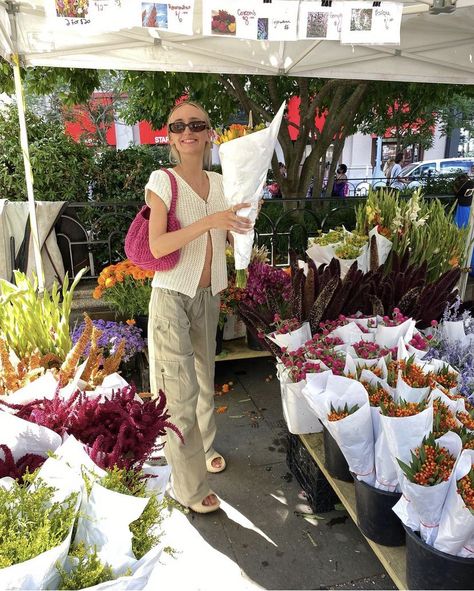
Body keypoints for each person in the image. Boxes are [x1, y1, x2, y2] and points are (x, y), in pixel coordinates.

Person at [145, 100, 253, 514]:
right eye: (178, 125)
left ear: (210, 133)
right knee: (180, 393)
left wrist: (240, 228)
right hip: (172, 296)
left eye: (197, 124)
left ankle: (202, 449)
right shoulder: (163, 180)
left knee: (204, 379)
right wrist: (209, 223)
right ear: (169, 136)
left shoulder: (222, 181)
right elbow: (158, 246)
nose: (187, 130)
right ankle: (187, 487)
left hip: (209, 295)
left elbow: (229, 234)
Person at [453, 173, 474, 276]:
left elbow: (457, 193)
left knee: (459, 237)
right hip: (468, 210)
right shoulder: (470, 185)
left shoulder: (463, 188)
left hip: (461, 210)